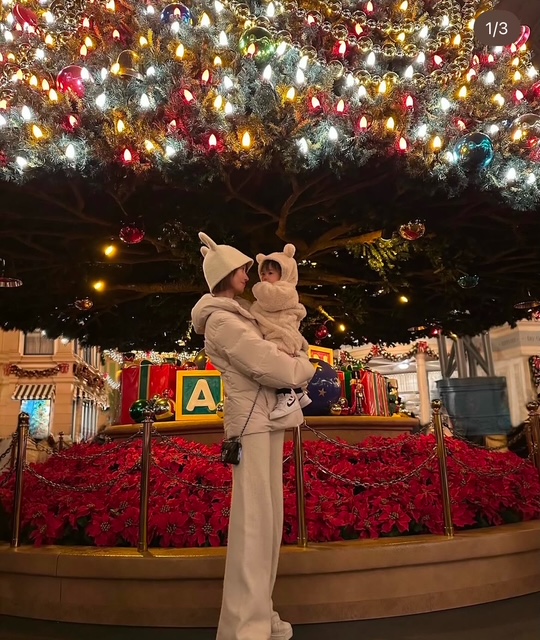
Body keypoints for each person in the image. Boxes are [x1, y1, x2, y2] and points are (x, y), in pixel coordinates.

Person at [191, 232, 315, 640]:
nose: (249, 274)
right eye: (243, 269)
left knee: (267, 524)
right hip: (251, 426)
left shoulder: (237, 315)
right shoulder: (223, 321)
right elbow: (269, 365)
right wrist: (305, 368)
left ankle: (260, 612)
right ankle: (245, 627)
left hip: (263, 421)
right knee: (254, 526)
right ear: (226, 274)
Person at [250, 244, 312, 419]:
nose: (265, 277)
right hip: (277, 332)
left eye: (270, 273)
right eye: (263, 273)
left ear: (284, 274)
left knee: (276, 367)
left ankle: (286, 396)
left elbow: (270, 301)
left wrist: (259, 289)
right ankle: (299, 394)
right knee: (277, 364)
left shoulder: (285, 290)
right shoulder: (275, 290)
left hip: (282, 334)